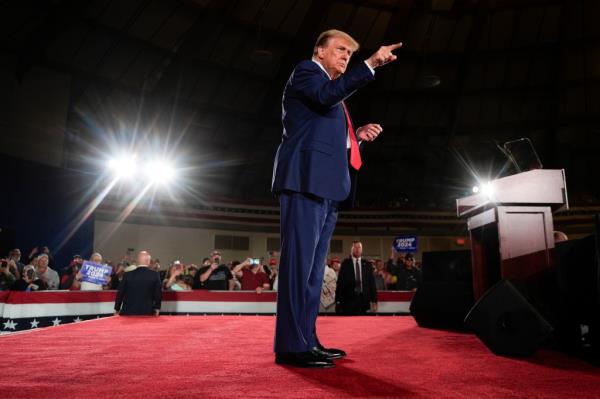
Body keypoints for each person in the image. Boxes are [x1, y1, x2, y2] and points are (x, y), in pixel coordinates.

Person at [271, 28, 401, 368]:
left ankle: (307, 340)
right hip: (305, 181)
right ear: (319, 51)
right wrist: (371, 63)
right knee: (299, 268)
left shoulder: (332, 94)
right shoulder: (306, 72)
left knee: (314, 272)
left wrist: (354, 136)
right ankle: (289, 345)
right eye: (340, 50)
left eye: (350, 53)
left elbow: (324, 126)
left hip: (328, 187)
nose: (345, 56)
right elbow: (326, 97)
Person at [336, 241, 378, 315]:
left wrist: (374, 300)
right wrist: (338, 300)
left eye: (359, 247)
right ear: (351, 249)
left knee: (362, 325)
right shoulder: (345, 264)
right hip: (348, 300)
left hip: (363, 300)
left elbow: (371, 283)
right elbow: (340, 283)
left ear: (362, 250)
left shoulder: (367, 265)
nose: (357, 249)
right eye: (355, 247)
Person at [114, 251, 162, 316]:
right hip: (147, 312)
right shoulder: (155, 275)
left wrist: (117, 308)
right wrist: (157, 308)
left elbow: (120, 293)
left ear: (137, 261)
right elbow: (158, 294)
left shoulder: (127, 275)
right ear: (148, 261)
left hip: (128, 312)